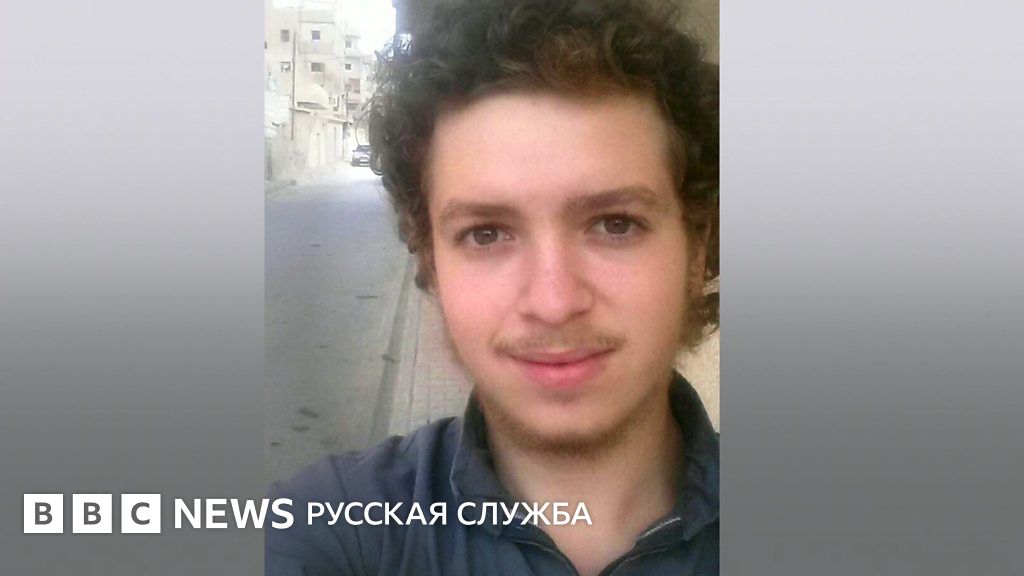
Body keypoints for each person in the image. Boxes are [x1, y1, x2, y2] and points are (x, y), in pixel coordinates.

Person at [266, 0, 719, 574]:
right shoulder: (334, 526)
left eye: (615, 224)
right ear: (432, 262)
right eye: (486, 233)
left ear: (697, 246)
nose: (553, 303)